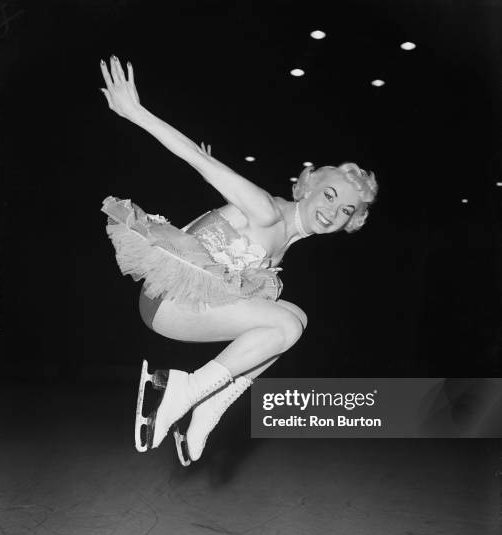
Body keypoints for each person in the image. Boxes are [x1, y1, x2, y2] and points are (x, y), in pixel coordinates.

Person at [100, 55, 378, 465]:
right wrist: (135, 112)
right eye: (330, 194)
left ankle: (207, 411)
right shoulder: (267, 210)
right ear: (309, 187)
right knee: (284, 323)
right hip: (167, 301)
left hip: (189, 305)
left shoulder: (285, 239)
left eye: (346, 210)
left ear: (351, 223)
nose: (333, 210)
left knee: (295, 318)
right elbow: (198, 159)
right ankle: (184, 393)